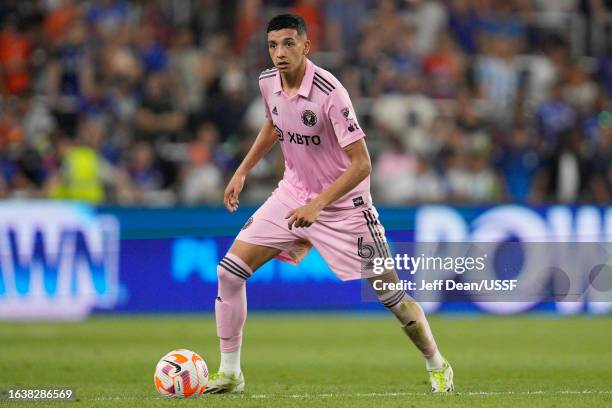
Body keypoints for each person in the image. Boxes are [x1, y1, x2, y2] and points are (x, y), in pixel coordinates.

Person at [206, 14, 453, 394]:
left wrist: (319, 205)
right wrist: (242, 170)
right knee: (229, 272)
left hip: (346, 207)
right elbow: (274, 124)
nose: (279, 53)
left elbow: (362, 164)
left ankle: (436, 362)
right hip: (293, 194)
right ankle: (230, 373)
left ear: (307, 46)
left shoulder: (329, 92)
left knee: (392, 297)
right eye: (273, 45)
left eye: (289, 43)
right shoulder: (267, 82)